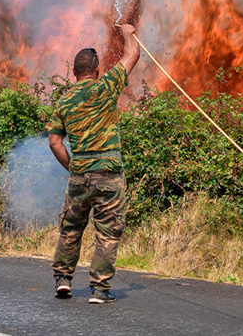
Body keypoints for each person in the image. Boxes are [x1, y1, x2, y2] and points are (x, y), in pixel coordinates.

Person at [46, 24, 140, 304]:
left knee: (71, 228)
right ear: (97, 70)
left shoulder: (64, 102)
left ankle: (63, 280)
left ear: (74, 73)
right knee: (108, 232)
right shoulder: (106, 85)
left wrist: (74, 167)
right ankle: (99, 289)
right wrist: (127, 32)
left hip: (79, 176)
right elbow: (133, 54)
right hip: (108, 175)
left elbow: (54, 142)